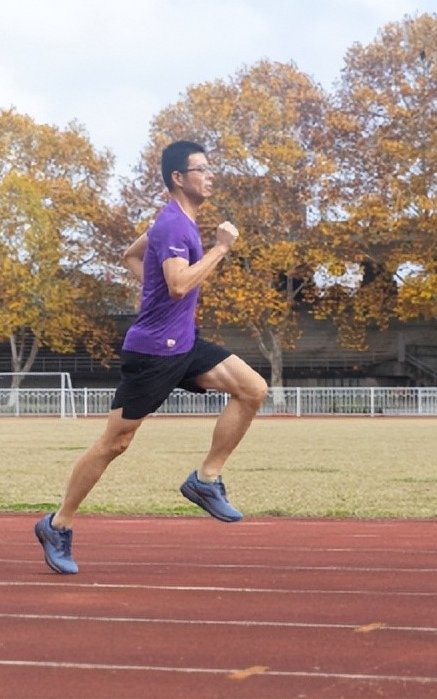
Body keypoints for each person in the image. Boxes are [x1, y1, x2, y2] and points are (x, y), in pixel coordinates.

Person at [35, 140, 268, 575]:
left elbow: (131, 256)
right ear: (179, 178)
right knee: (114, 444)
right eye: (201, 169)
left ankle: (205, 480)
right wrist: (220, 249)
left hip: (183, 343)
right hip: (152, 356)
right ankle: (57, 523)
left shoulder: (176, 221)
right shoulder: (175, 228)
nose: (210, 175)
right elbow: (179, 286)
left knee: (252, 389)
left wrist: (154, 298)